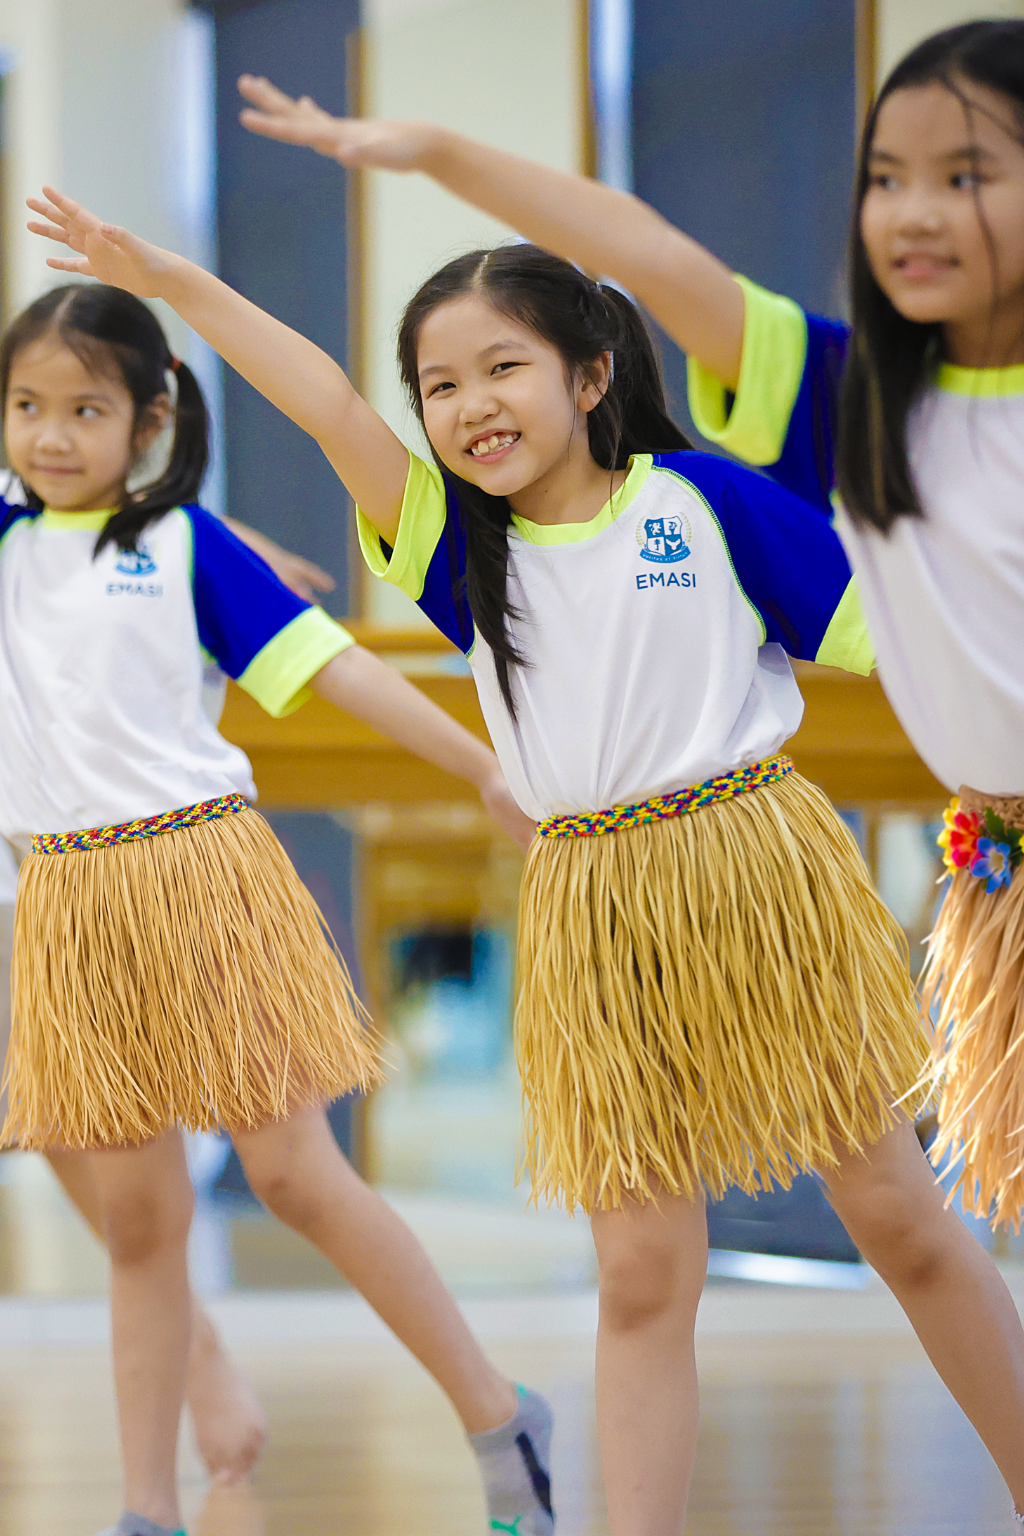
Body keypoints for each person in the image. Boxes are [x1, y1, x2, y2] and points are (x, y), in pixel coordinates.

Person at [29, 175, 1024, 1536]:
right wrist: (169, 283)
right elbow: (320, 398)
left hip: (760, 878)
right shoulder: (454, 546)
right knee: (637, 1272)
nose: (469, 405)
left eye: (503, 367)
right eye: (438, 385)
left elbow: (900, 638)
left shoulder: (706, 503)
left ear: (592, 370)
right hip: (591, 909)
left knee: (902, 1224)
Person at [0, 279, 553, 1536]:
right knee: (140, 1221)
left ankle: (494, 1409)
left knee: (297, 1176)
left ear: (148, 422)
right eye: (26, 405)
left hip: (206, 882)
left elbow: (339, 669)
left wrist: (476, 763)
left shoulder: (186, 549)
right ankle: (149, 1508)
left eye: (85, 409)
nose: (48, 434)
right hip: (68, 907)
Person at [0, 467, 337, 1486]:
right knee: (47, 1112)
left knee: (58, 1107)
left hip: (44, 823)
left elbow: (80, 494)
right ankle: (194, 1357)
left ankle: (194, 1359)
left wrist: (227, 543)